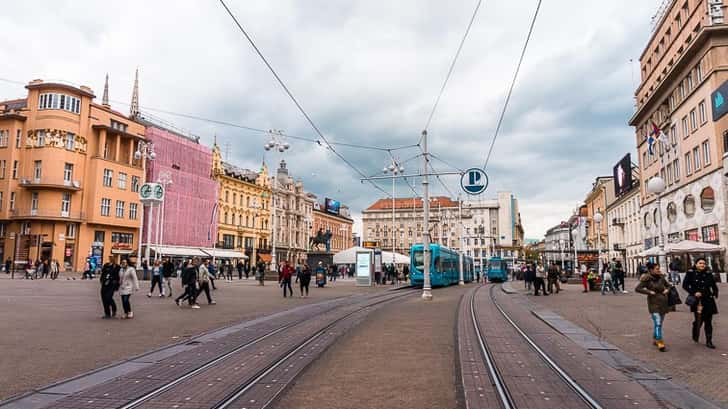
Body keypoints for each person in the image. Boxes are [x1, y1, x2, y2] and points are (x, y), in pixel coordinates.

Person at [635, 262, 673, 352]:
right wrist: (649, 292)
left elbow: (669, 286)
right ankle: (660, 341)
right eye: (657, 269)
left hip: (663, 302)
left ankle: (655, 338)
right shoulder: (646, 279)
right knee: (658, 322)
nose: (659, 270)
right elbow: (637, 289)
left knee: (659, 324)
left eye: (659, 268)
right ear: (651, 270)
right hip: (653, 303)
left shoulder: (661, 277)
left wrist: (667, 290)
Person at [683, 257, 719, 349]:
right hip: (697, 300)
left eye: (704, 263)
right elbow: (685, 285)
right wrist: (694, 292)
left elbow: (714, 285)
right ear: (696, 264)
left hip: (708, 299)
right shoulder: (691, 273)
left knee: (708, 321)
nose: (702, 265)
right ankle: (695, 331)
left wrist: (715, 293)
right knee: (699, 320)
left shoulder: (708, 274)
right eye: (700, 263)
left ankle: (709, 341)